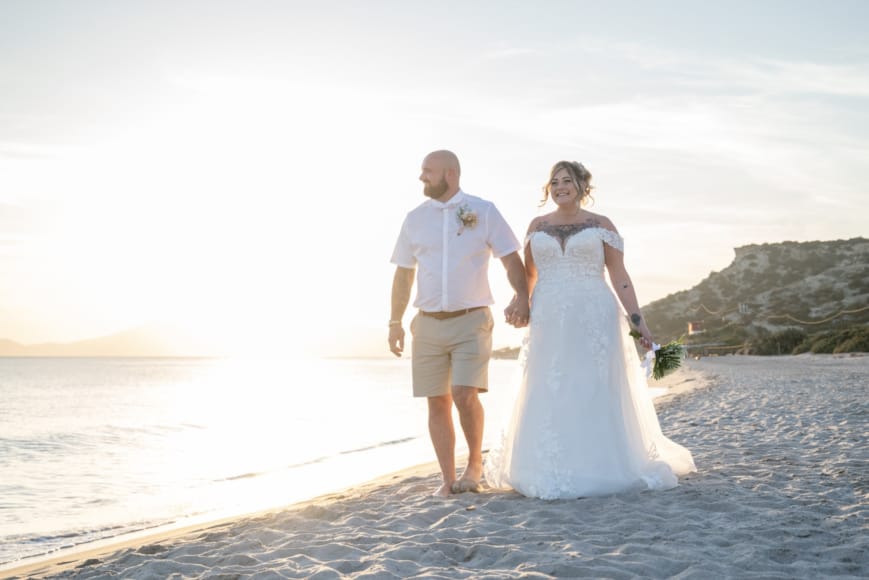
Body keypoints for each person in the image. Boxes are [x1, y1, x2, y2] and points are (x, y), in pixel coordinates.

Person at [484, 160, 696, 499]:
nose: (559, 187)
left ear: (583, 186)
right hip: (549, 315)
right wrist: (518, 301)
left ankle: (600, 465)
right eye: (554, 182)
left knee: (592, 384)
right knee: (548, 383)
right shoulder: (537, 225)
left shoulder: (601, 225)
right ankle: (542, 465)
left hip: (594, 314)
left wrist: (639, 322)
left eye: (567, 180)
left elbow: (620, 277)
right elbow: (528, 278)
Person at [389, 150, 529, 498]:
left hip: (472, 320)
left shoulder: (482, 211)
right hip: (427, 324)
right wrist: (394, 321)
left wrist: (522, 296)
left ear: (450, 174)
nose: (422, 177)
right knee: (436, 402)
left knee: (464, 395)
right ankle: (448, 478)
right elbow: (403, 275)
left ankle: (475, 466)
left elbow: (512, 260)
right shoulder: (414, 219)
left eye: (427, 171)